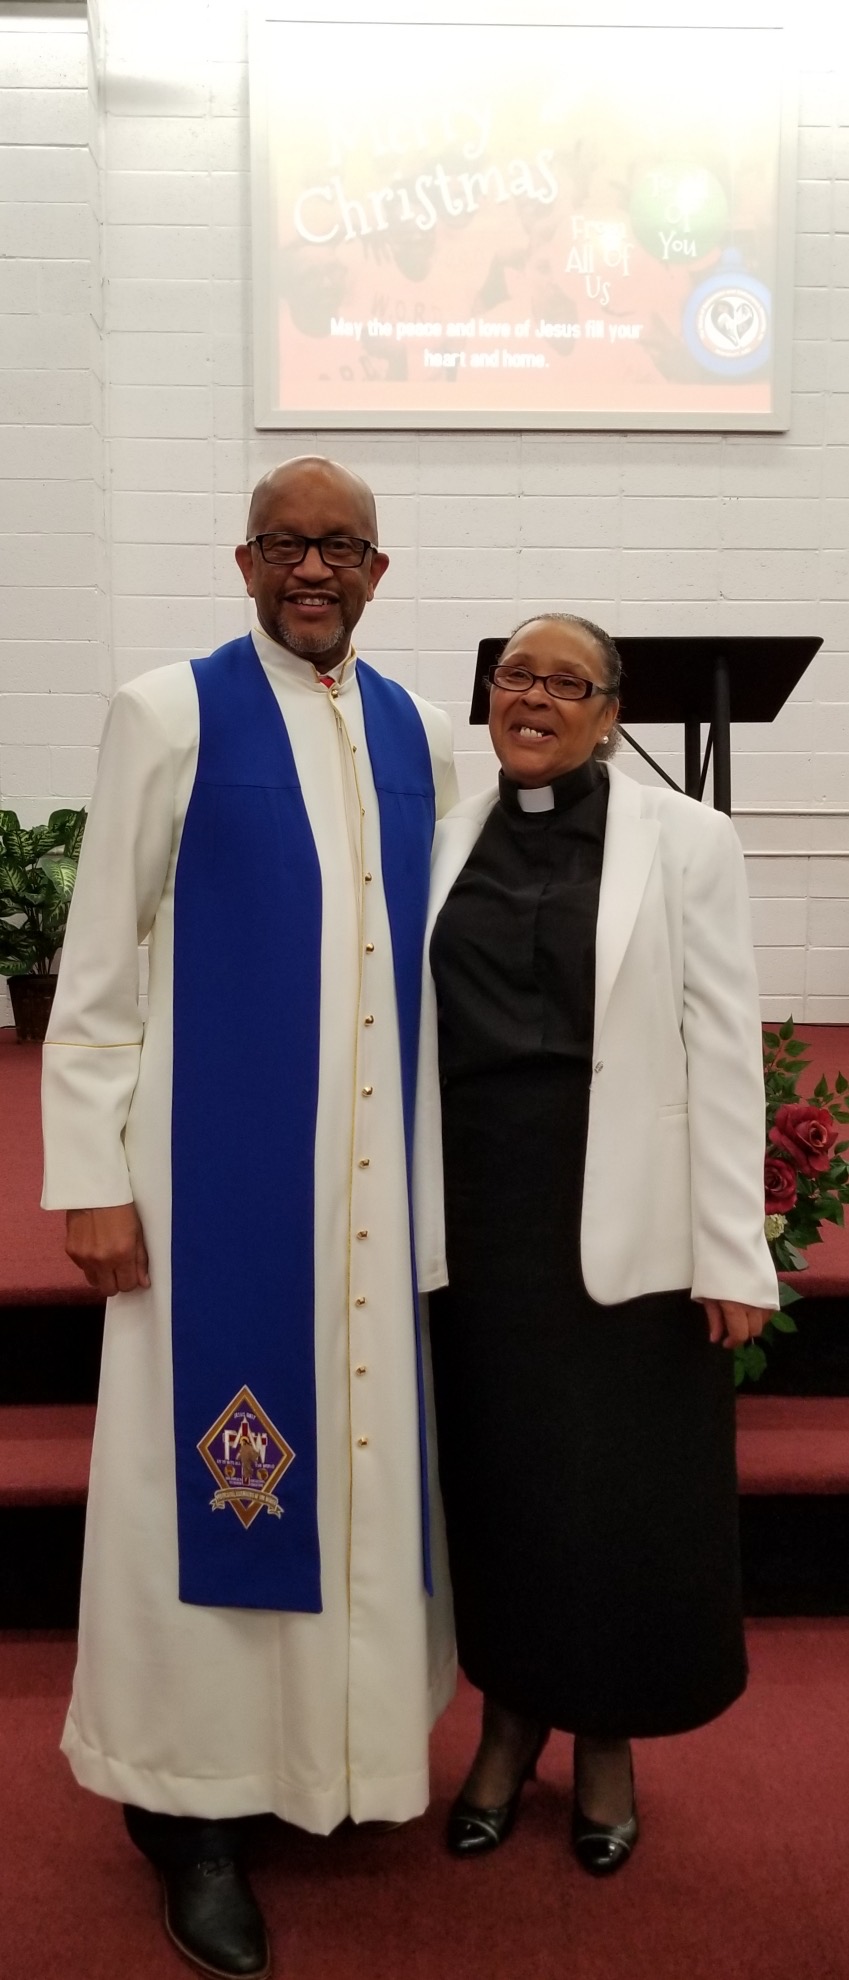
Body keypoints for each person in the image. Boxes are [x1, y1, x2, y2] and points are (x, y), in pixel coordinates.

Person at [41, 457, 457, 1980]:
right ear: (244, 560)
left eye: (341, 547)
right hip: (212, 1190)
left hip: (372, 1189)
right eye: (287, 544)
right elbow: (98, 969)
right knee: (207, 1477)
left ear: (378, 570)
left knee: (359, 1467)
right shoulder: (169, 712)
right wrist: (90, 1178)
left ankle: (332, 1757)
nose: (313, 569)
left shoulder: (417, 730)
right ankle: (190, 1804)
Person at [412, 612, 777, 1875]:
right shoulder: (439, 834)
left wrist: (733, 1247)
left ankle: (606, 1738)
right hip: (476, 1222)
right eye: (516, 675)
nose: (535, 698)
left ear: (611, 715)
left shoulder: (687, 838)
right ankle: (509, 1725)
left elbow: (723, 1044)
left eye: (568, 684)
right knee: (503, 1488)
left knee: (617, 1500)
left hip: (627, 1220)